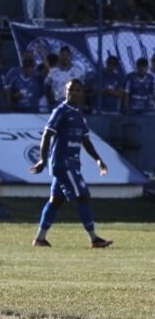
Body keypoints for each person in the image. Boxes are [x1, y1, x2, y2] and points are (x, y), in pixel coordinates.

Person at [30, 79, 113, 249]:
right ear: (64, 92)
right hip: (63, 163)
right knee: (83, 196)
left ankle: (40, 238)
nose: (73, 93)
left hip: (72, 163)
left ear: (82, 93)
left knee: (56, 200)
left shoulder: (79, 115)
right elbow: (47, 135)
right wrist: (42, 159)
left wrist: (97, 159)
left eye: (77, 90)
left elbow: (85, 140)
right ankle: (94, 238)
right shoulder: (60, 111)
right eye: (70, 90)